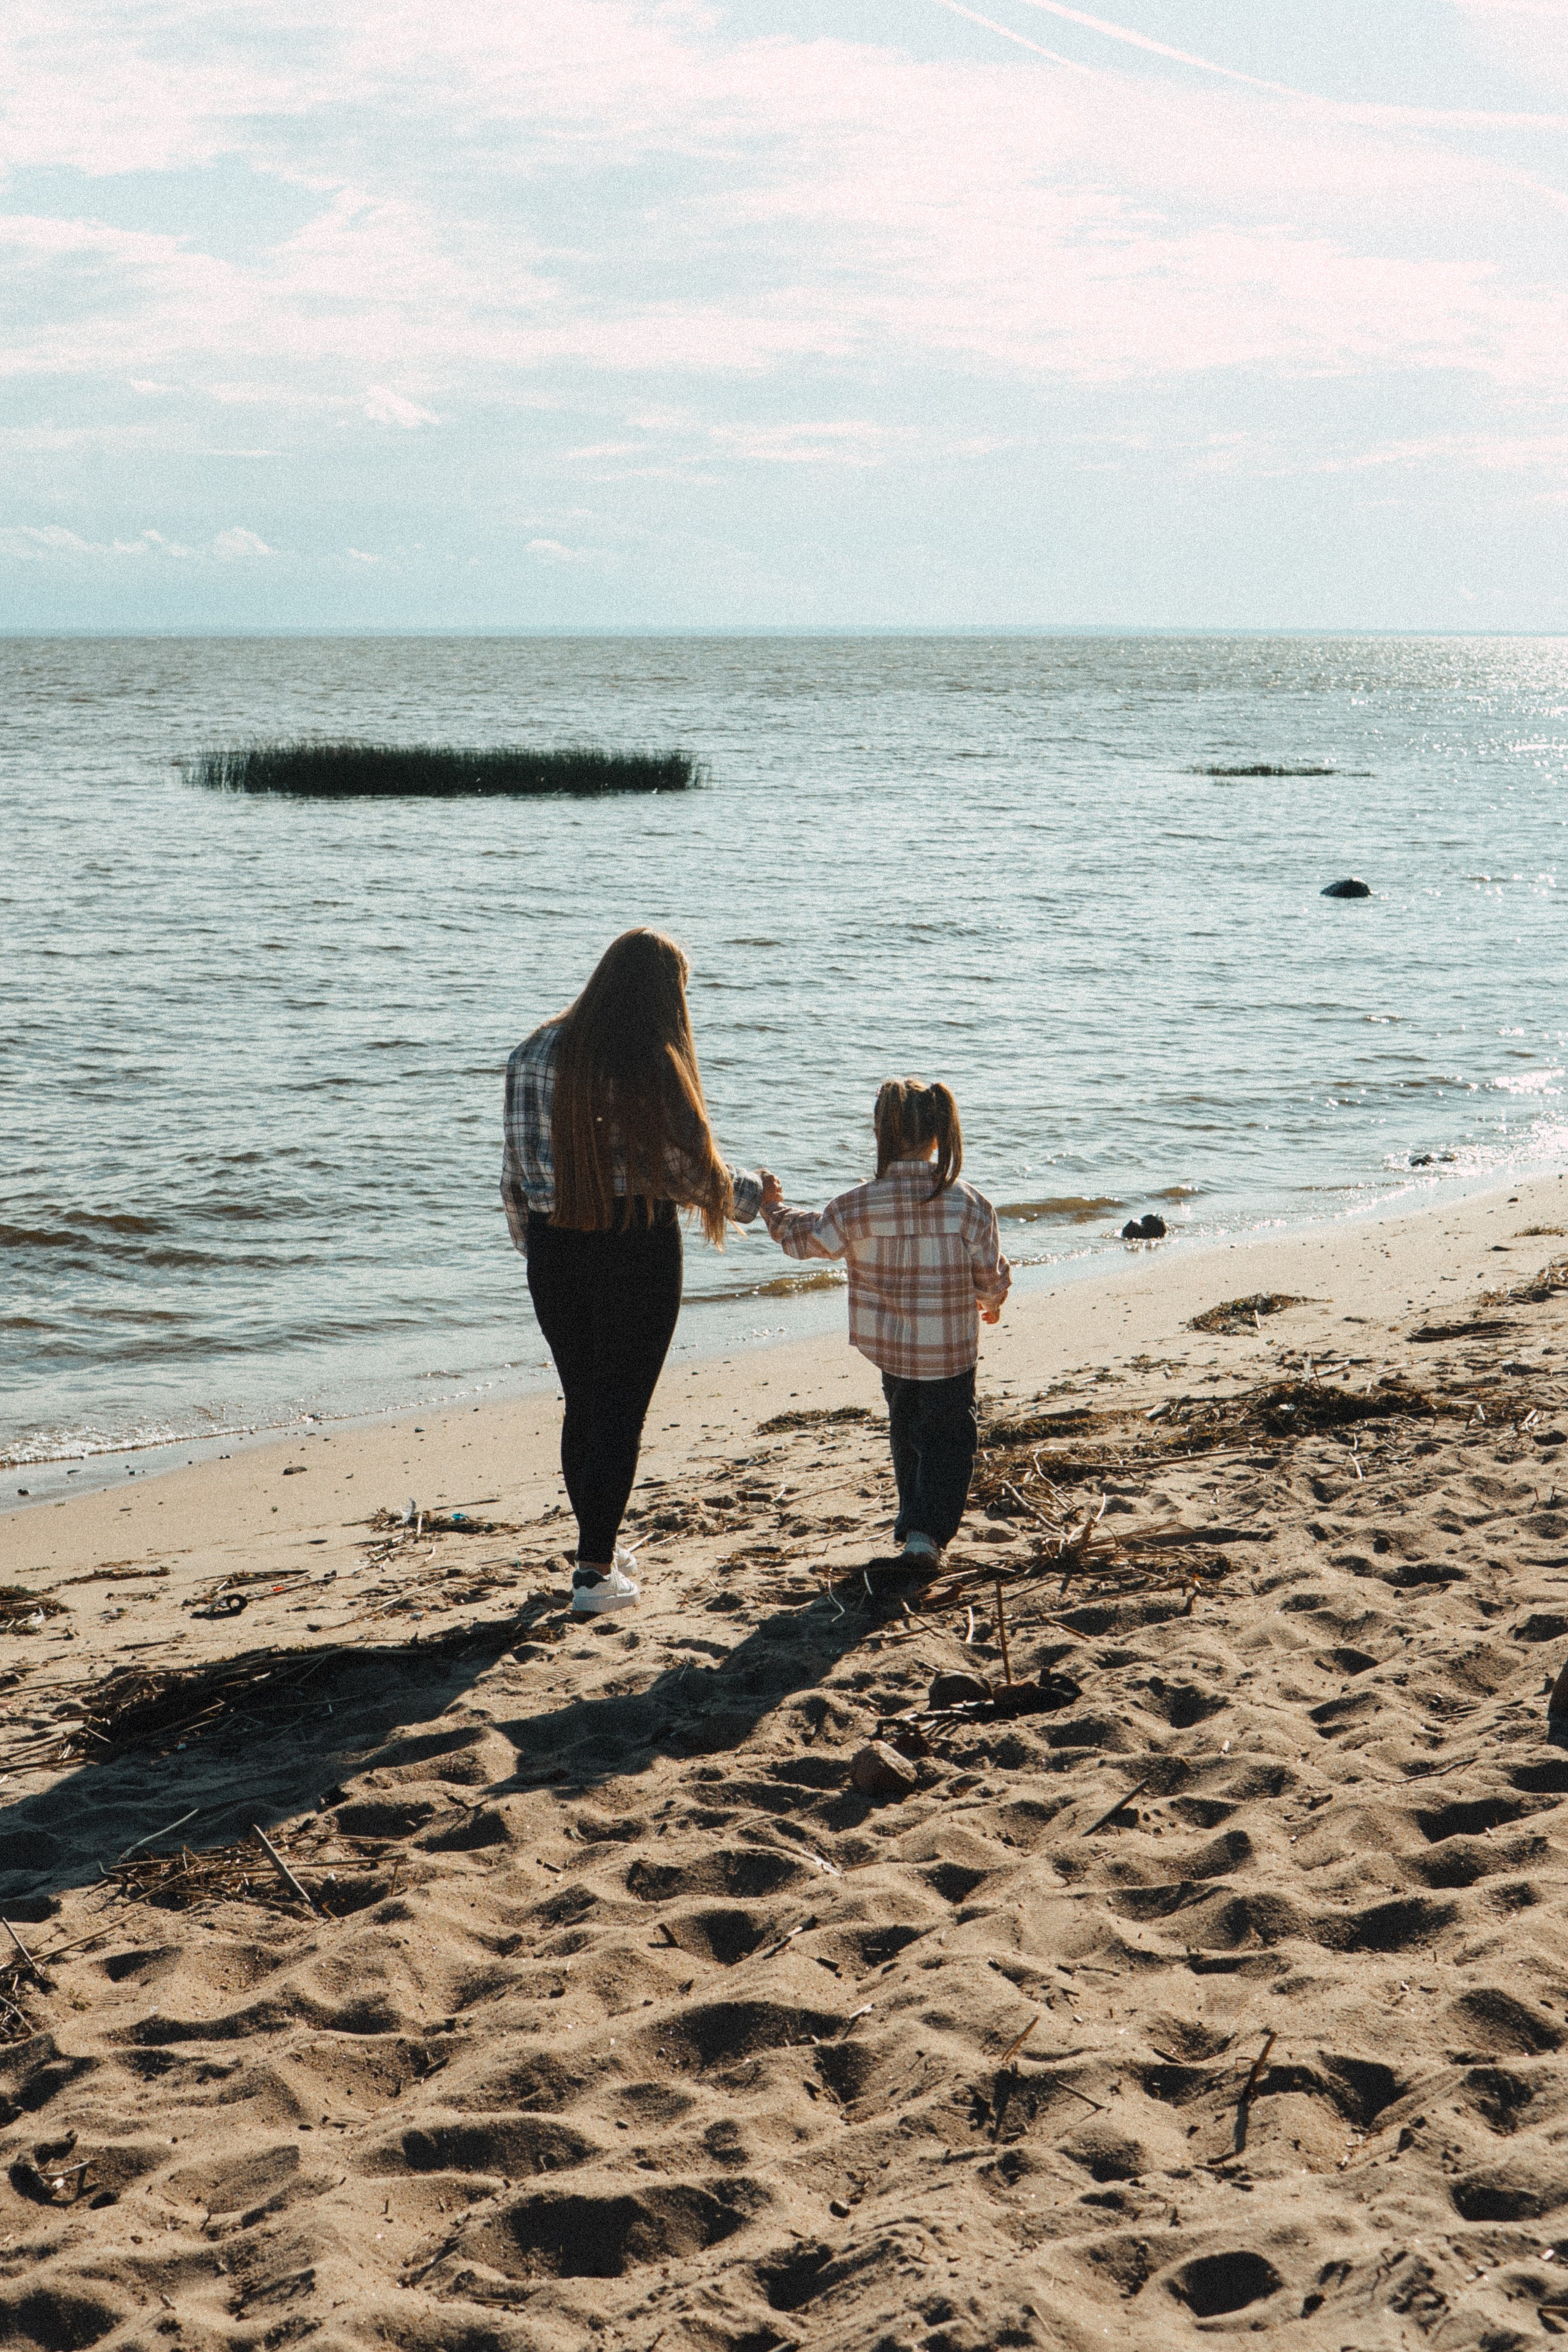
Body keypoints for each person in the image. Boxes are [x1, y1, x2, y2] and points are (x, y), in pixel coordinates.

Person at [502, 929, 765, 1615]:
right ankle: (592, 1574)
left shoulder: (531, 1051)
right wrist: (757, 1196)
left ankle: (598, 1547)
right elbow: (688, 1175)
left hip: (554, 1250)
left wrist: (539, 1249)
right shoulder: (648, 1061)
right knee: (621, 1408)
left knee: (583, 1401)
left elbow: (514, 1175)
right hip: (634, 1247)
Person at [760, 1078, 1009, 1580]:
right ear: (939, 1135)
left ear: (880, 1133)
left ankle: (917, 1526)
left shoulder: (857, 1205)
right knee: (949, 1442)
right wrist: (993, 1300)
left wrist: (770, 1206)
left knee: (908, 1433)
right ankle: (927, 1533)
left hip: (894, 1353)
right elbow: (989, 1272)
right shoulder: (969, 1203)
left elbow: (805, 1239)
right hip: (950, 1354)